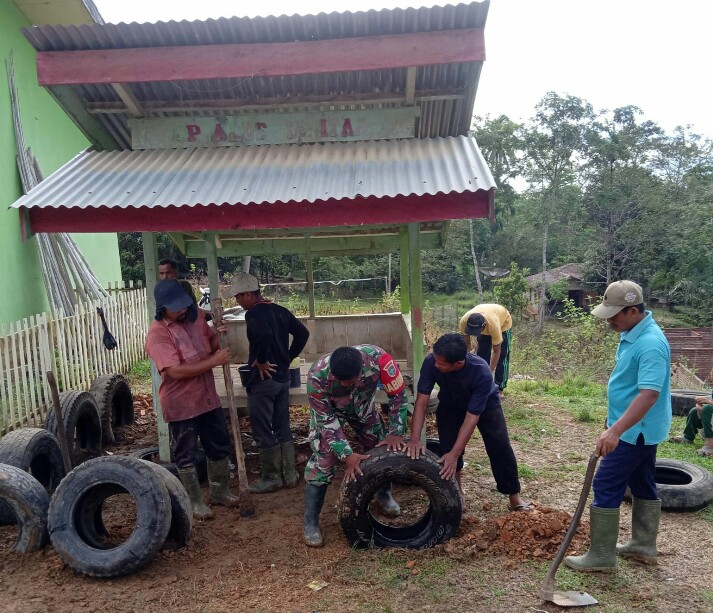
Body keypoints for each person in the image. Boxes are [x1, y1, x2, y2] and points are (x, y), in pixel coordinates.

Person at [565, 280, 671, 572]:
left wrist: (616, 430)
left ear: (633, 311)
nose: (609, 320)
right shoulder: (634, 334)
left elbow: (648, 395)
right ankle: (643, 546)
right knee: (642, 481)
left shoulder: (650, 344)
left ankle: (602, 556)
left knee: (605, 483)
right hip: (636, 427)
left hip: (635, 431)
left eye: (614, 314)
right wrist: (613, 420)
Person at [403, 333, 531, 512]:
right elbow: (422, 402)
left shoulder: (481, 371)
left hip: (486, 405)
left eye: (441, 363)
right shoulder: (431, 362)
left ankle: (514, 496)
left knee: (500, 446)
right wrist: (415, 438)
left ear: (458, 363)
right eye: (435, 360)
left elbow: (472, 417)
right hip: (451, 403)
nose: (436, 365)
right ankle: (458, 493)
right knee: (447, 448)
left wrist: (455, 454)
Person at [144, 279, 238, 519]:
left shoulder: (196, 319)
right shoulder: (158, 334)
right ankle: (194, 501)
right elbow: (174, 371)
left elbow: (210, 345)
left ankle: (220, 492)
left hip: (207, 398)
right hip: (181, 403)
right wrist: (214, 361)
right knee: (186, 453)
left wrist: (219, 334)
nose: (182, 310)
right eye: (176, 307)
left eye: (184, 304)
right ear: (162, 308)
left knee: (219, 443)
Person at [303, 345, 410, 547]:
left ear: (361, 369)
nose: (345, 384)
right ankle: (310, 522)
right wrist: (347, 455)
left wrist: (396, 432)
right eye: (341, 381)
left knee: (381, 449)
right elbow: (325, 419)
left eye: (350, 381)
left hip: (364, 408)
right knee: (323, 461)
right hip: (333, 413)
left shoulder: (380, 360)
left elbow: (398, 395)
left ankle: (384, 496)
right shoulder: (317, 375)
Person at [222, 272, 310, 493]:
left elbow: (263, 335)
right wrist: (286, 358)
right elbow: (303, 333)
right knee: (282, 425)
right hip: (282, 378)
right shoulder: (279, 310)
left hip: (263, 381)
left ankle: (272, 478)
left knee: (262, 428)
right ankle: (289, 474)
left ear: (249, 294)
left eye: (239, 296)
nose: (238, 301)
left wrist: (261, 360)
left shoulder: (254, 314)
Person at [459, 303, 512, 393]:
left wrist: (489, 372)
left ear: (483, 325)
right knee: (482, 354)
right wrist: (467, 364)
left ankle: (499, 388)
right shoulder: (463, 322)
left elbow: (497, 351)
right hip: (486, 322)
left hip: (503, 323)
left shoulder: (494, 326)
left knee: (503, 356)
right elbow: (467, 345)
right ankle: (480, 382)